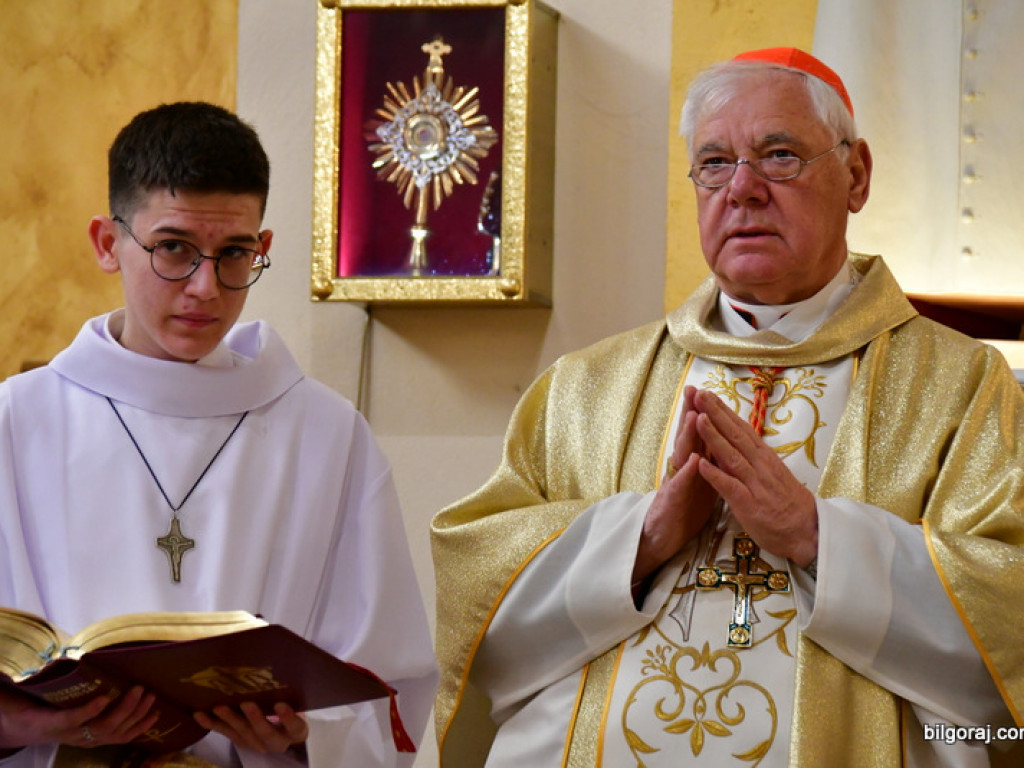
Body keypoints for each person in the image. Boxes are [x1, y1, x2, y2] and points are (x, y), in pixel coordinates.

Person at [430, 48, 1024, 767]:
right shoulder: (584, 388)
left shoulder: (963, 386)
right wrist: (639, 540)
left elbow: (1007, 607)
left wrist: (816, 537)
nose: (742, 189)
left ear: (856, 175)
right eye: (714, 163)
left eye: (779, 155)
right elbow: (474, 598)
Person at [0, 102, 438, 767]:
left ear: (261, 247)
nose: (206, 287)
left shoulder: (326, 436)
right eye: (174, 247)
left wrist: (302, 744)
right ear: (106, 243)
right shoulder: (14, 424)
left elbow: (390, 687)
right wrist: (25, 727)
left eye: (234, 254)